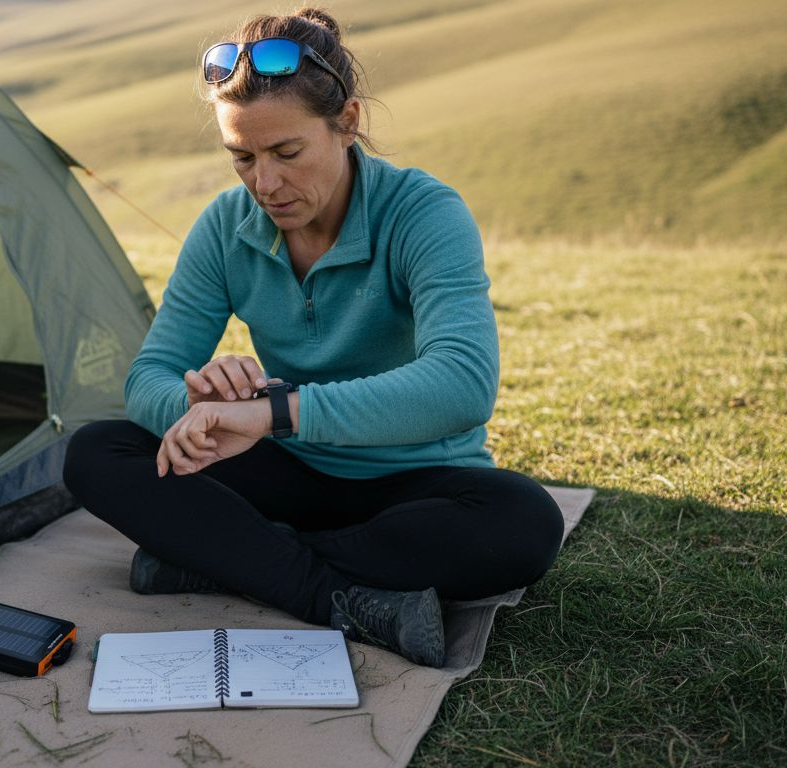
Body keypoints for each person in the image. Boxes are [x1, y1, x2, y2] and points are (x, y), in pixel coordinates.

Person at [63, 8, 564, 667]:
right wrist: (200, 404)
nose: (264, 183)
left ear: (348, 122)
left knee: (523, 522)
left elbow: (463, 386)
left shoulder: (424, 213)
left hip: (414, 480)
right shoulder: (224, 226)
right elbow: (147, 378)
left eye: (286, 153)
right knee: (98, 452)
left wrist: (271, 411)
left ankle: (229, 559)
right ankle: (333, 595)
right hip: (289, 475)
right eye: (241, 157)